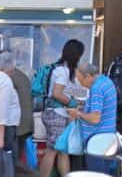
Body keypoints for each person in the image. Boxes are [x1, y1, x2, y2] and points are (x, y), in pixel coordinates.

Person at [41, 39, 85, 177]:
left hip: (60, 114)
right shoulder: (62, 71)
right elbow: (56, 93)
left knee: (63, 150)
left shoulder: (66, 70)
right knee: (53, 150)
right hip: (56, 114)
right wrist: (72, 102)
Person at [69, 62, 117, 175]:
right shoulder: (106, 81)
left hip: (97, 143)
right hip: (107, 139)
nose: (81, 84)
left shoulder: (96, 89)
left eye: (81, 81)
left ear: (88, 76)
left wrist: (78, 114)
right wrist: (85, 105)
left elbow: (95, 118)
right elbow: (102, 107)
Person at [6, 62, 32, 175]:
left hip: (17, 123)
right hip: (26, 123)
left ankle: (28, 173)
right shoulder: (21, 76)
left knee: (12, 158)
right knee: (16, 156)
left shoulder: (9, 77)